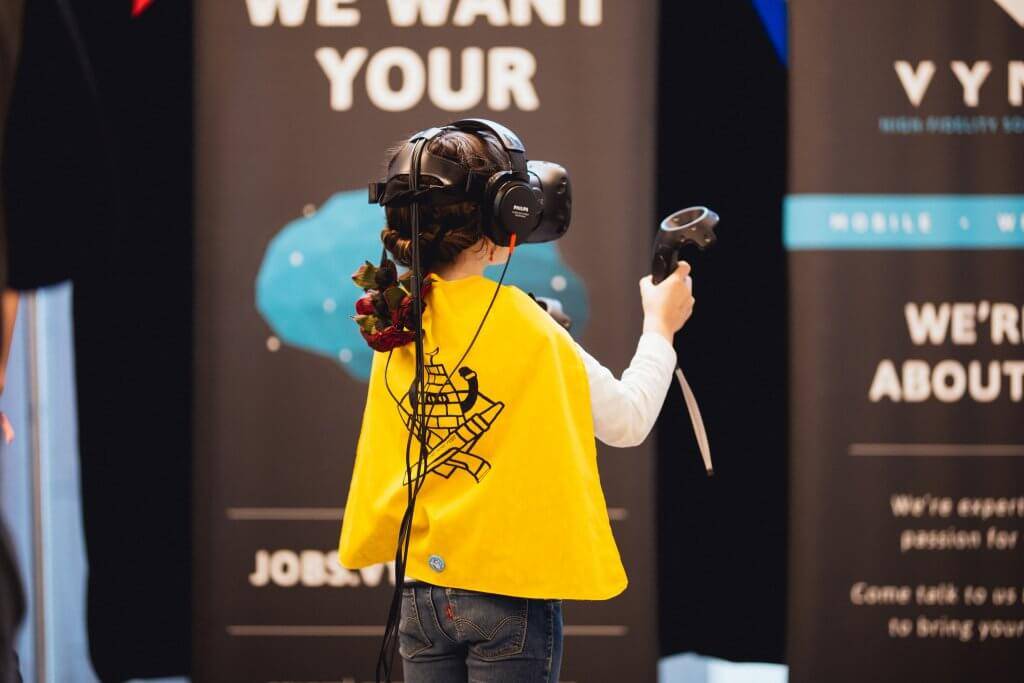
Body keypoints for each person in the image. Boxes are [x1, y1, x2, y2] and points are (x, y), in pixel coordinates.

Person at [338, 126, 694, 683]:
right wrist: (661, 327)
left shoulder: (398, 319)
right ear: (511, 215)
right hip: (509, 602)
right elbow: (627, 421)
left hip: (421, 596)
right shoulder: (530, 326)